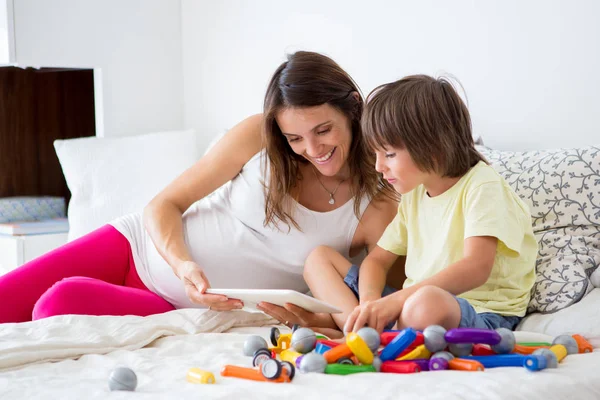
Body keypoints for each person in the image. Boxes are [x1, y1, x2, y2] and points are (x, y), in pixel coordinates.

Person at [0, 51, 402, 334]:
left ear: (352, 107)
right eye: (295, 137)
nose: (312, 150)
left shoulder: (378, 205)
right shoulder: (258, 136)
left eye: (323, 130)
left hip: (179, 306)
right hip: (136, 244)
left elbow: (378, 293)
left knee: (55, 306)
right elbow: (165, 204)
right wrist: (182, 265)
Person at [304, 74, 537, 334]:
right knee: (319, 259)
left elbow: (476, 268)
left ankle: (368, 332)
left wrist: (397, 301)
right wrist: (370, 302)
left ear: (434, 147)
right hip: (410, 305)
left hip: (477, 311)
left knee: (427, 303)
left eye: (389, 154)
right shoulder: (414, 195)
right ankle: (361, 328)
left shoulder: (483, 186)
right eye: (376, 154)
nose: (379, 166)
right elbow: (377, 261)